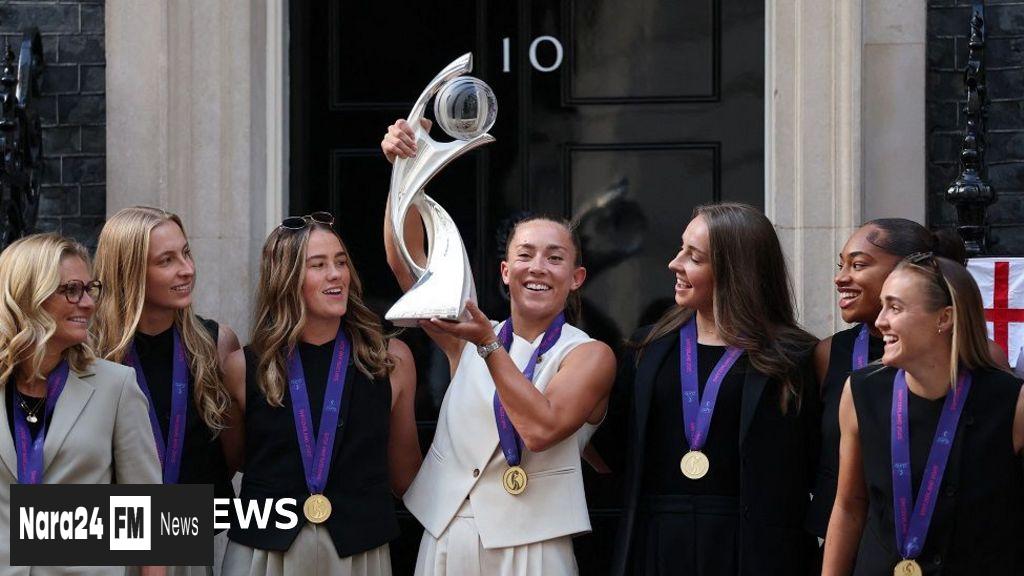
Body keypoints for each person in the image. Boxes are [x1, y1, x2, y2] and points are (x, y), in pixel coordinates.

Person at [381, 119, 616, 575]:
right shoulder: (469, 333)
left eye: (555, 258)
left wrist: (489, 345)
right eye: (525, 255)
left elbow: (541, 428)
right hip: (449, 534)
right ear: (506, 272)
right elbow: (405, 262)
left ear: (576, 278)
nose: (539, 268)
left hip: (535, 544)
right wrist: (403, 172)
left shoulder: (588, 354)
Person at [605, 203, 820, 576]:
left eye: (694, 257)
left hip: (754, 549)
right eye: (680, 249)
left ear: (735, 271)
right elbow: (612, 450)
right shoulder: (647, 348)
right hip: (657, 545)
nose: (674, 264)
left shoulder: (796, 357)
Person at [221, 211, 420, 576]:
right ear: (286, 279)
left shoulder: (392, 361)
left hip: (360, 555)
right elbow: (223, 469)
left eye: (341, 263)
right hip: (264, 556)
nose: (335, 274)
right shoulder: (241, 367)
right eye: (318, 265)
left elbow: (405, 477)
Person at [807, 219, 1009, 543]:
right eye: (841, 264)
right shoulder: (829, 354)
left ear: (909, 270)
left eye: (858, 265)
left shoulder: (981, 362)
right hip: (859, 544)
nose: (841, 277)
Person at [0, 233, 163, 576]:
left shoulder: (116, 386)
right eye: (72, 290)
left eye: (90, 289)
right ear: (28, 295)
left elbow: (145, 516)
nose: (87, 303)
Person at [93, 206, 242, 576]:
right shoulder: (88, 353)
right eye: (166, 260)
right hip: (108, 544)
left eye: (186, 253)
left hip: (189, 539)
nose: (187, 269)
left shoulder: (215, 344)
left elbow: (233, 457)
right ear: (130, 272)